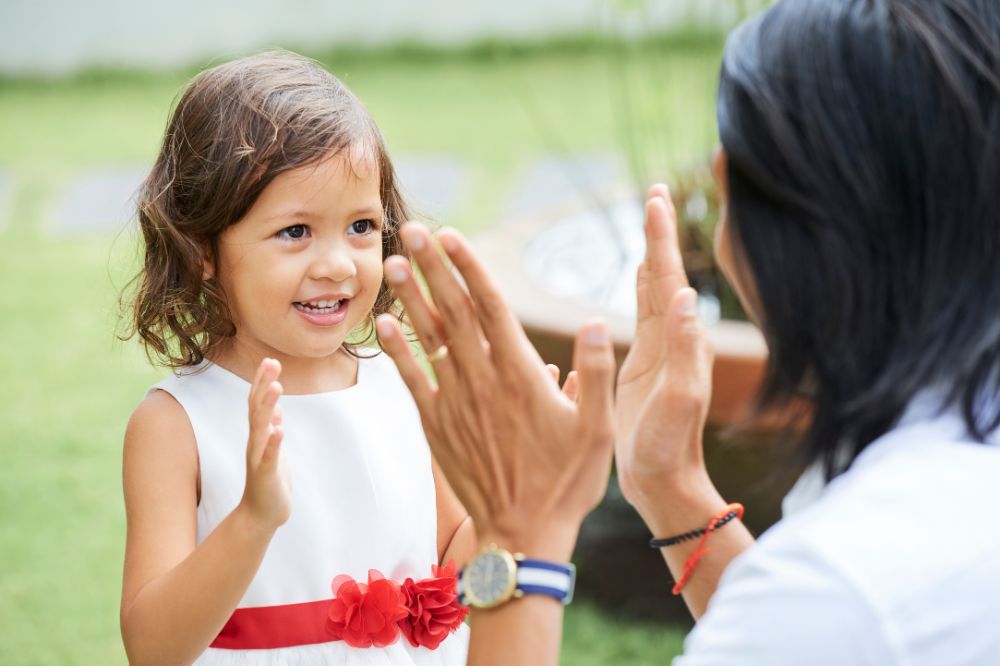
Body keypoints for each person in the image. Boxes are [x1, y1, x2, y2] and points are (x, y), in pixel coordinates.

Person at [374, 0, 1000, 663]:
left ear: (729, 187)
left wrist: (519, 530)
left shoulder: (844, 588)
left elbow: (821, 623)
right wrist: (668, 484)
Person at [118, 51, 474, 665]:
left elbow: (458, 561)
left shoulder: (404, 389)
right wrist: (253, 518)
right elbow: (153, 648)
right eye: (295, 232)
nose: (338, 264)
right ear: (203, 248)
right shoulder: (176, 424)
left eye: (361, 225)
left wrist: (526, 489)